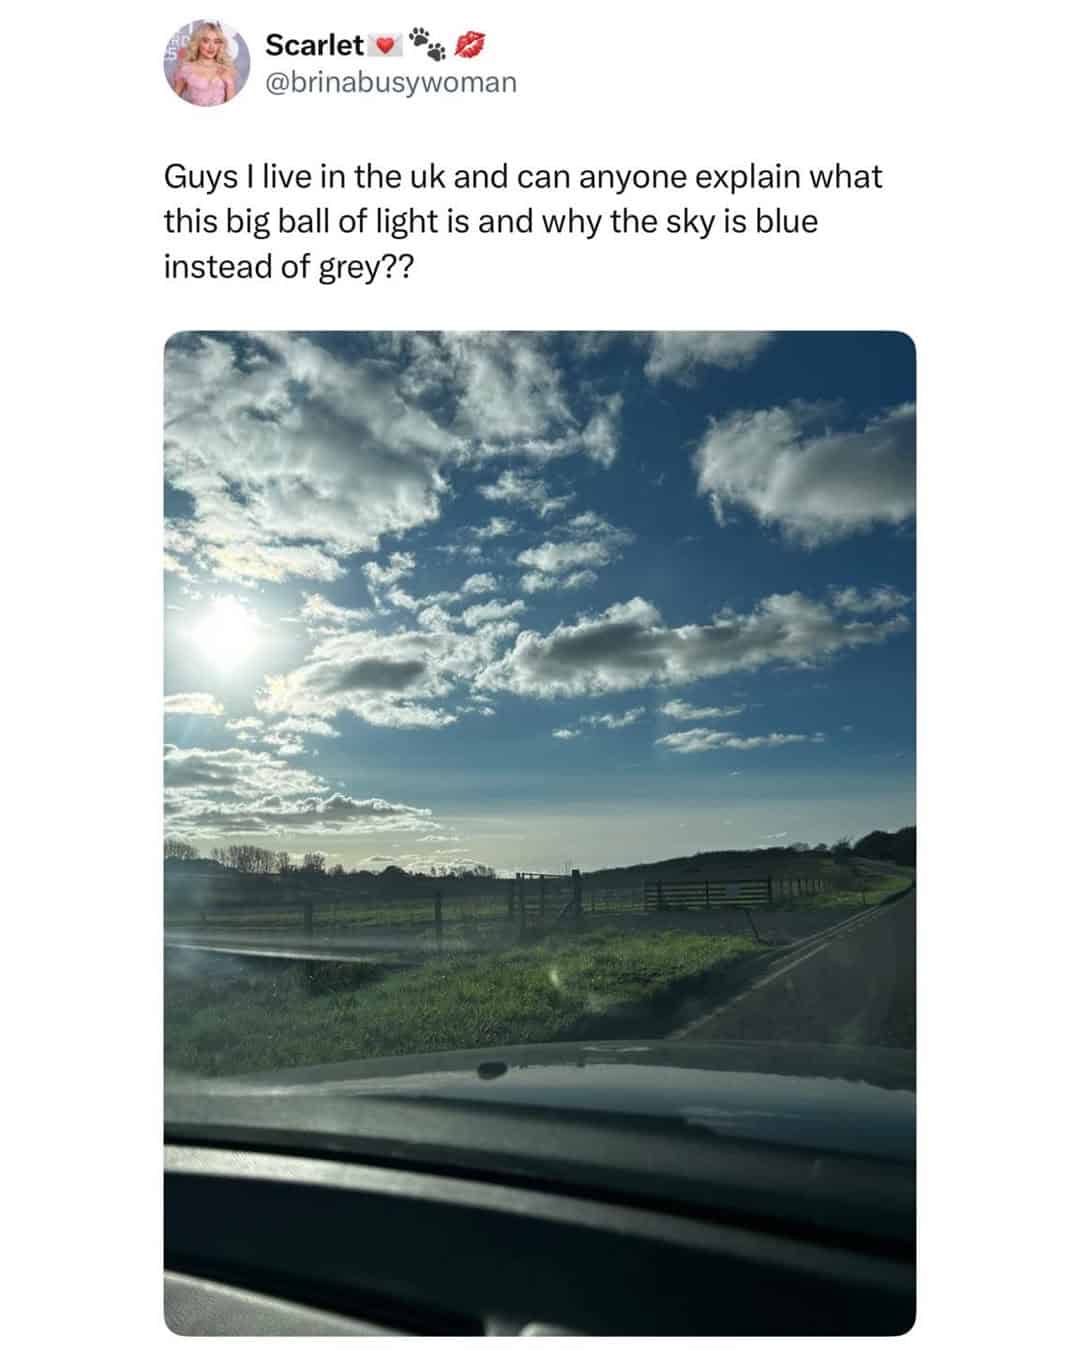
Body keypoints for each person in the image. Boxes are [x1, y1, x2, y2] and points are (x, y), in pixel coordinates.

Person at [172, 24, 237, 106]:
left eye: (216, 42)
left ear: (220, 45)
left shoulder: (225, 70)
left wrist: (229, 83)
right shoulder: (185, 69)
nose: (212, 47)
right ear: (198, 43)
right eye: (206, 41)